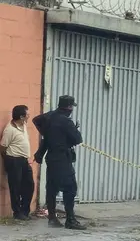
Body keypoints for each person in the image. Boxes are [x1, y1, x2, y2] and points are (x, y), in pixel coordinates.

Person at [33, 95, 85, 230]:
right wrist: (74, 129)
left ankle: (52, 218)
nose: (72, 109)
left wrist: (48, 133)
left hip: (51, 157)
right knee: (70, 188)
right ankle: (70, 220)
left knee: (52, 188)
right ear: (69, 107)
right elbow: (78, 139)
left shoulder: (50, 117)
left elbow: (36, 120)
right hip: (62, 158)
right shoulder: (66, 122)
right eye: (71, 107)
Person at [0, 105, 34, 220]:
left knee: (29, 185)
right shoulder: (10, 129)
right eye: (27, 114)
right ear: (21, 116)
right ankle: (17, 212)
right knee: (15, 186)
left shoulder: (23, 125)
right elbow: (3, 147)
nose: (29, 116)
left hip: (24, 160)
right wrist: (9, 161)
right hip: (14, 160)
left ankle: (25, 211)